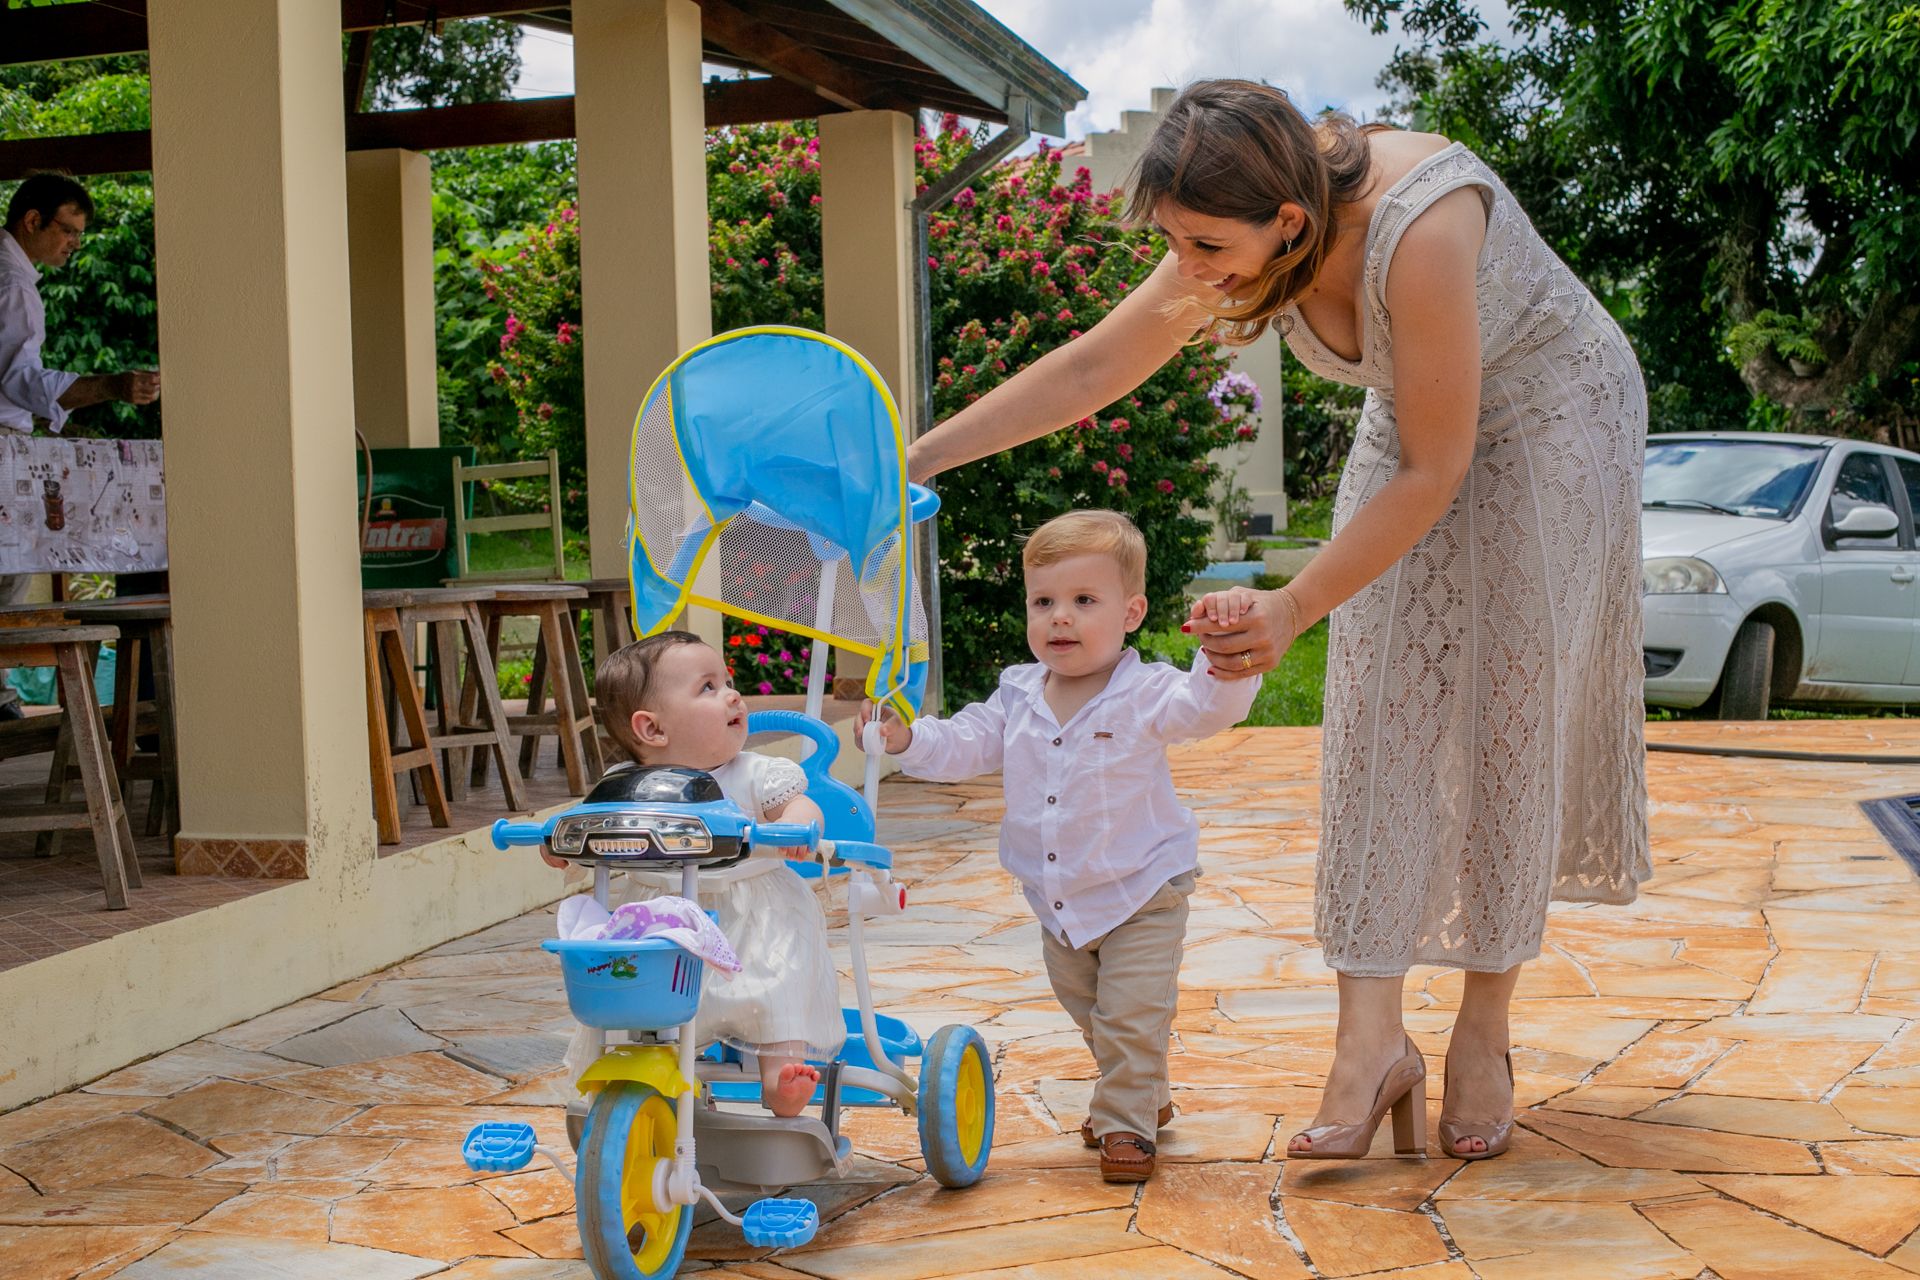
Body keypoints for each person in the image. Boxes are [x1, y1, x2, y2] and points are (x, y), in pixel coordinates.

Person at [905, 81, 1650, 1163]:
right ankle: (1370, 1043)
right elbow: (1096, 365)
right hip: (1420, 413)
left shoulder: (1425, 226)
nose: (1192, 268)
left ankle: (1483, 1028)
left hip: (1551, 416)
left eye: (1206, 247)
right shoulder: (1235, 211)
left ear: (1290, 225)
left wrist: (1294, 602)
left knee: (1506, 715)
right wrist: (915, 458)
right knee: (1375, 711)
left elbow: (1441, 468)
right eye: (1176, 243)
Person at [863, 510, 1259, 1182]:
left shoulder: (1147, 693)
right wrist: (908, 741)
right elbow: (967, 742)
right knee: (1097, 1018)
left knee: (1131, 1017)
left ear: (1131, 613)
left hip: (1142, 893)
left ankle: (1126, 1125)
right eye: (1043, 602)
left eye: (1083, 601)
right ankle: (1144, 1094)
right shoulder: (1018, 694)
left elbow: (1210, 707)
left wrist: (1223, 649)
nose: (1060, 619)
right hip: (1059, 903)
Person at [549, 632, 841, 1117]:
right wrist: (560, 845)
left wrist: (796, 824)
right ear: (652, 729)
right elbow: (594, 826)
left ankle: (781, 1075)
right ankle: (639, 1076)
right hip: (665, 921)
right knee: (634, 986)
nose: (732, 694)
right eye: (708, 687)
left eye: (726, 680)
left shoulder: (755, 772)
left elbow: (799, 804)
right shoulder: (624, 787)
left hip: (756, 913)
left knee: (778, 981)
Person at [0, 172, 161, 716]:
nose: (72, 242)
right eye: (67, 230)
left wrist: (52, 423)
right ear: (31, 221)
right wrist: (110, 387)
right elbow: (18, 380)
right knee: (6, 577)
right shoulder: (13, 285)